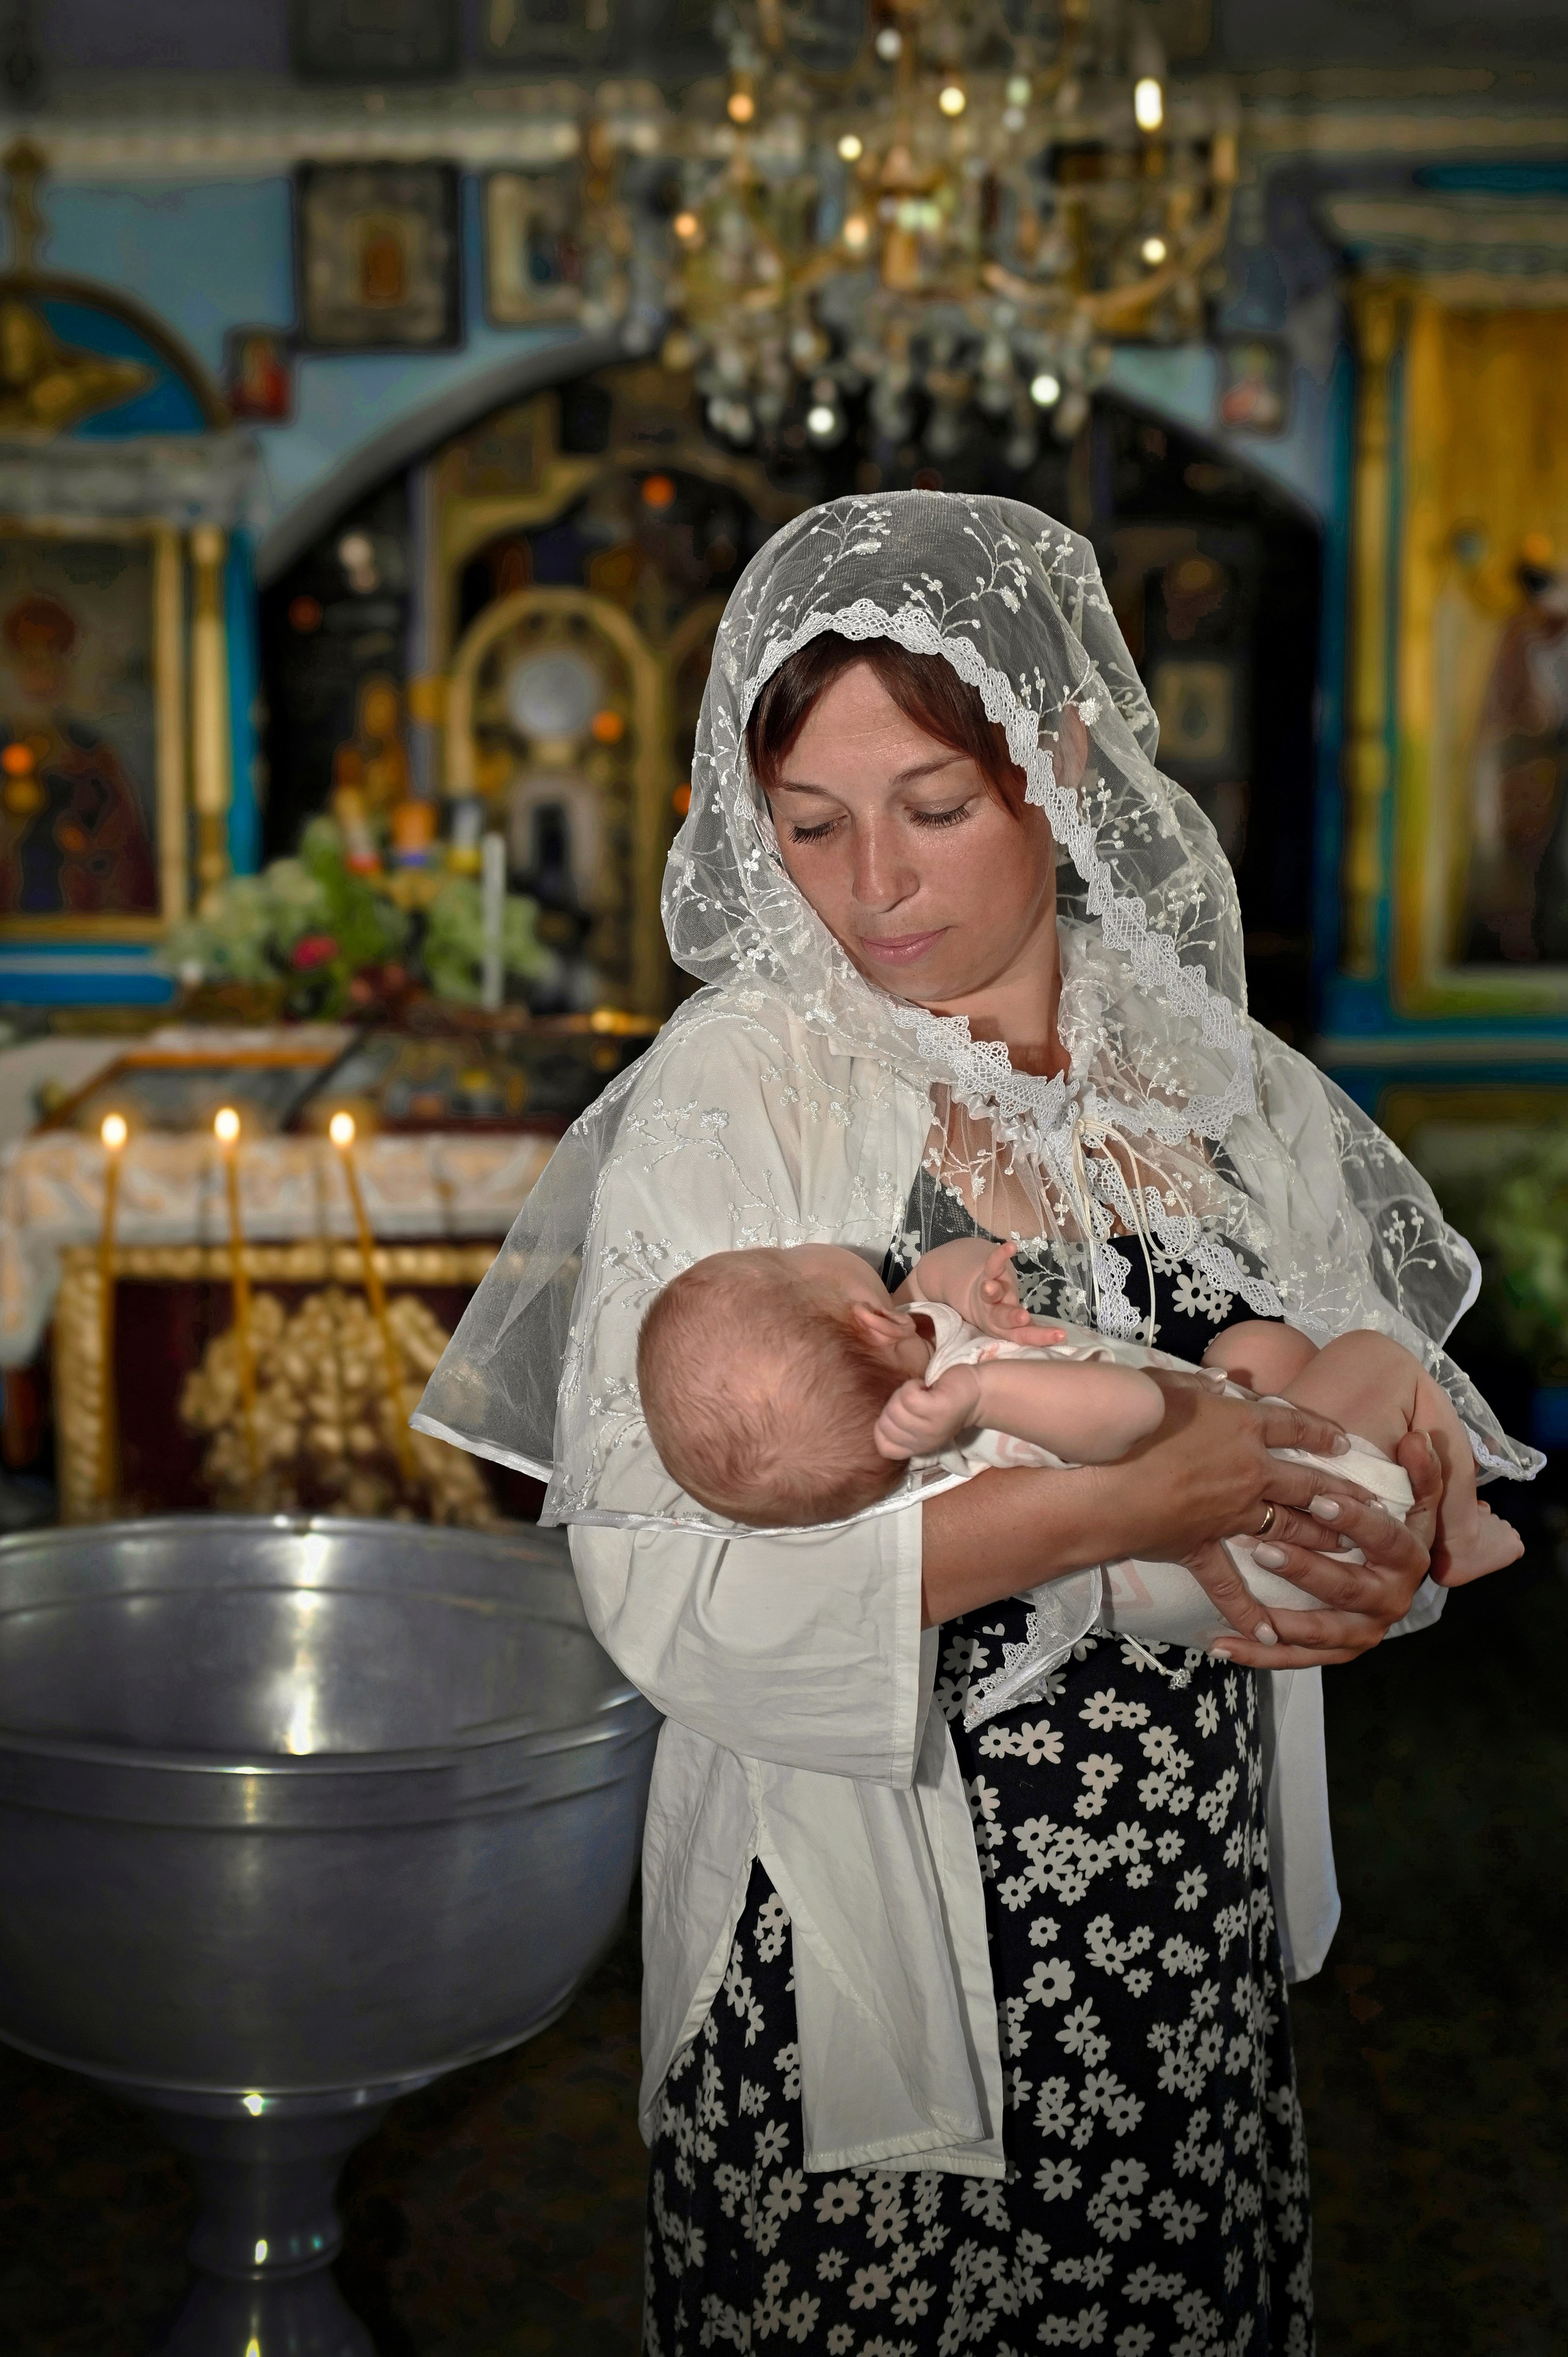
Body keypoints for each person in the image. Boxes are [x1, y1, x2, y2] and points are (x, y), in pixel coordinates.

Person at [415, 493, 1537, 2356]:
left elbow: (1386, 1430)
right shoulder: (737, 1091)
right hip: (870, 1932)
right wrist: (1119, 1514)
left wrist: (1372, 1568)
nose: (876, 887)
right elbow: (666, 1593)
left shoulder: (1211, 1074)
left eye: (935, 806)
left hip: (1178, 1913)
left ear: (1059, 758)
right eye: (813, 828)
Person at [634, 1235, 1520, 1583]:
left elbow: (931, 1286)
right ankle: (1464, 1525)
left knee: (1257, 1351)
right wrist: (990, 1382)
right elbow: (1131, 1410)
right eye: (791, 1259)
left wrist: (971, 1280)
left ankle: (1420, 1486)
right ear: (867, 1319)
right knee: (1377, 1358)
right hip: (1279, 1504)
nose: (801, 1244)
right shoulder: (980, 1387)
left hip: (1247, 1459)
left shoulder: (925, 1353)